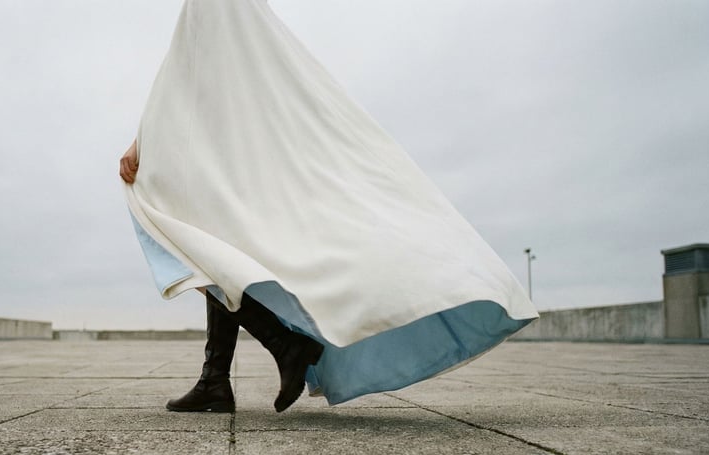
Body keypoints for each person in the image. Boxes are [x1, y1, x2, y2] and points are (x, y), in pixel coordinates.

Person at [119, 0, 538, 413]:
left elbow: (190, 72)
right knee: (214, 245)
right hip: (238, 155)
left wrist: (145, 142)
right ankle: (218, 378)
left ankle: (279, 348)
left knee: (195, 239)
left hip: (232, 156)